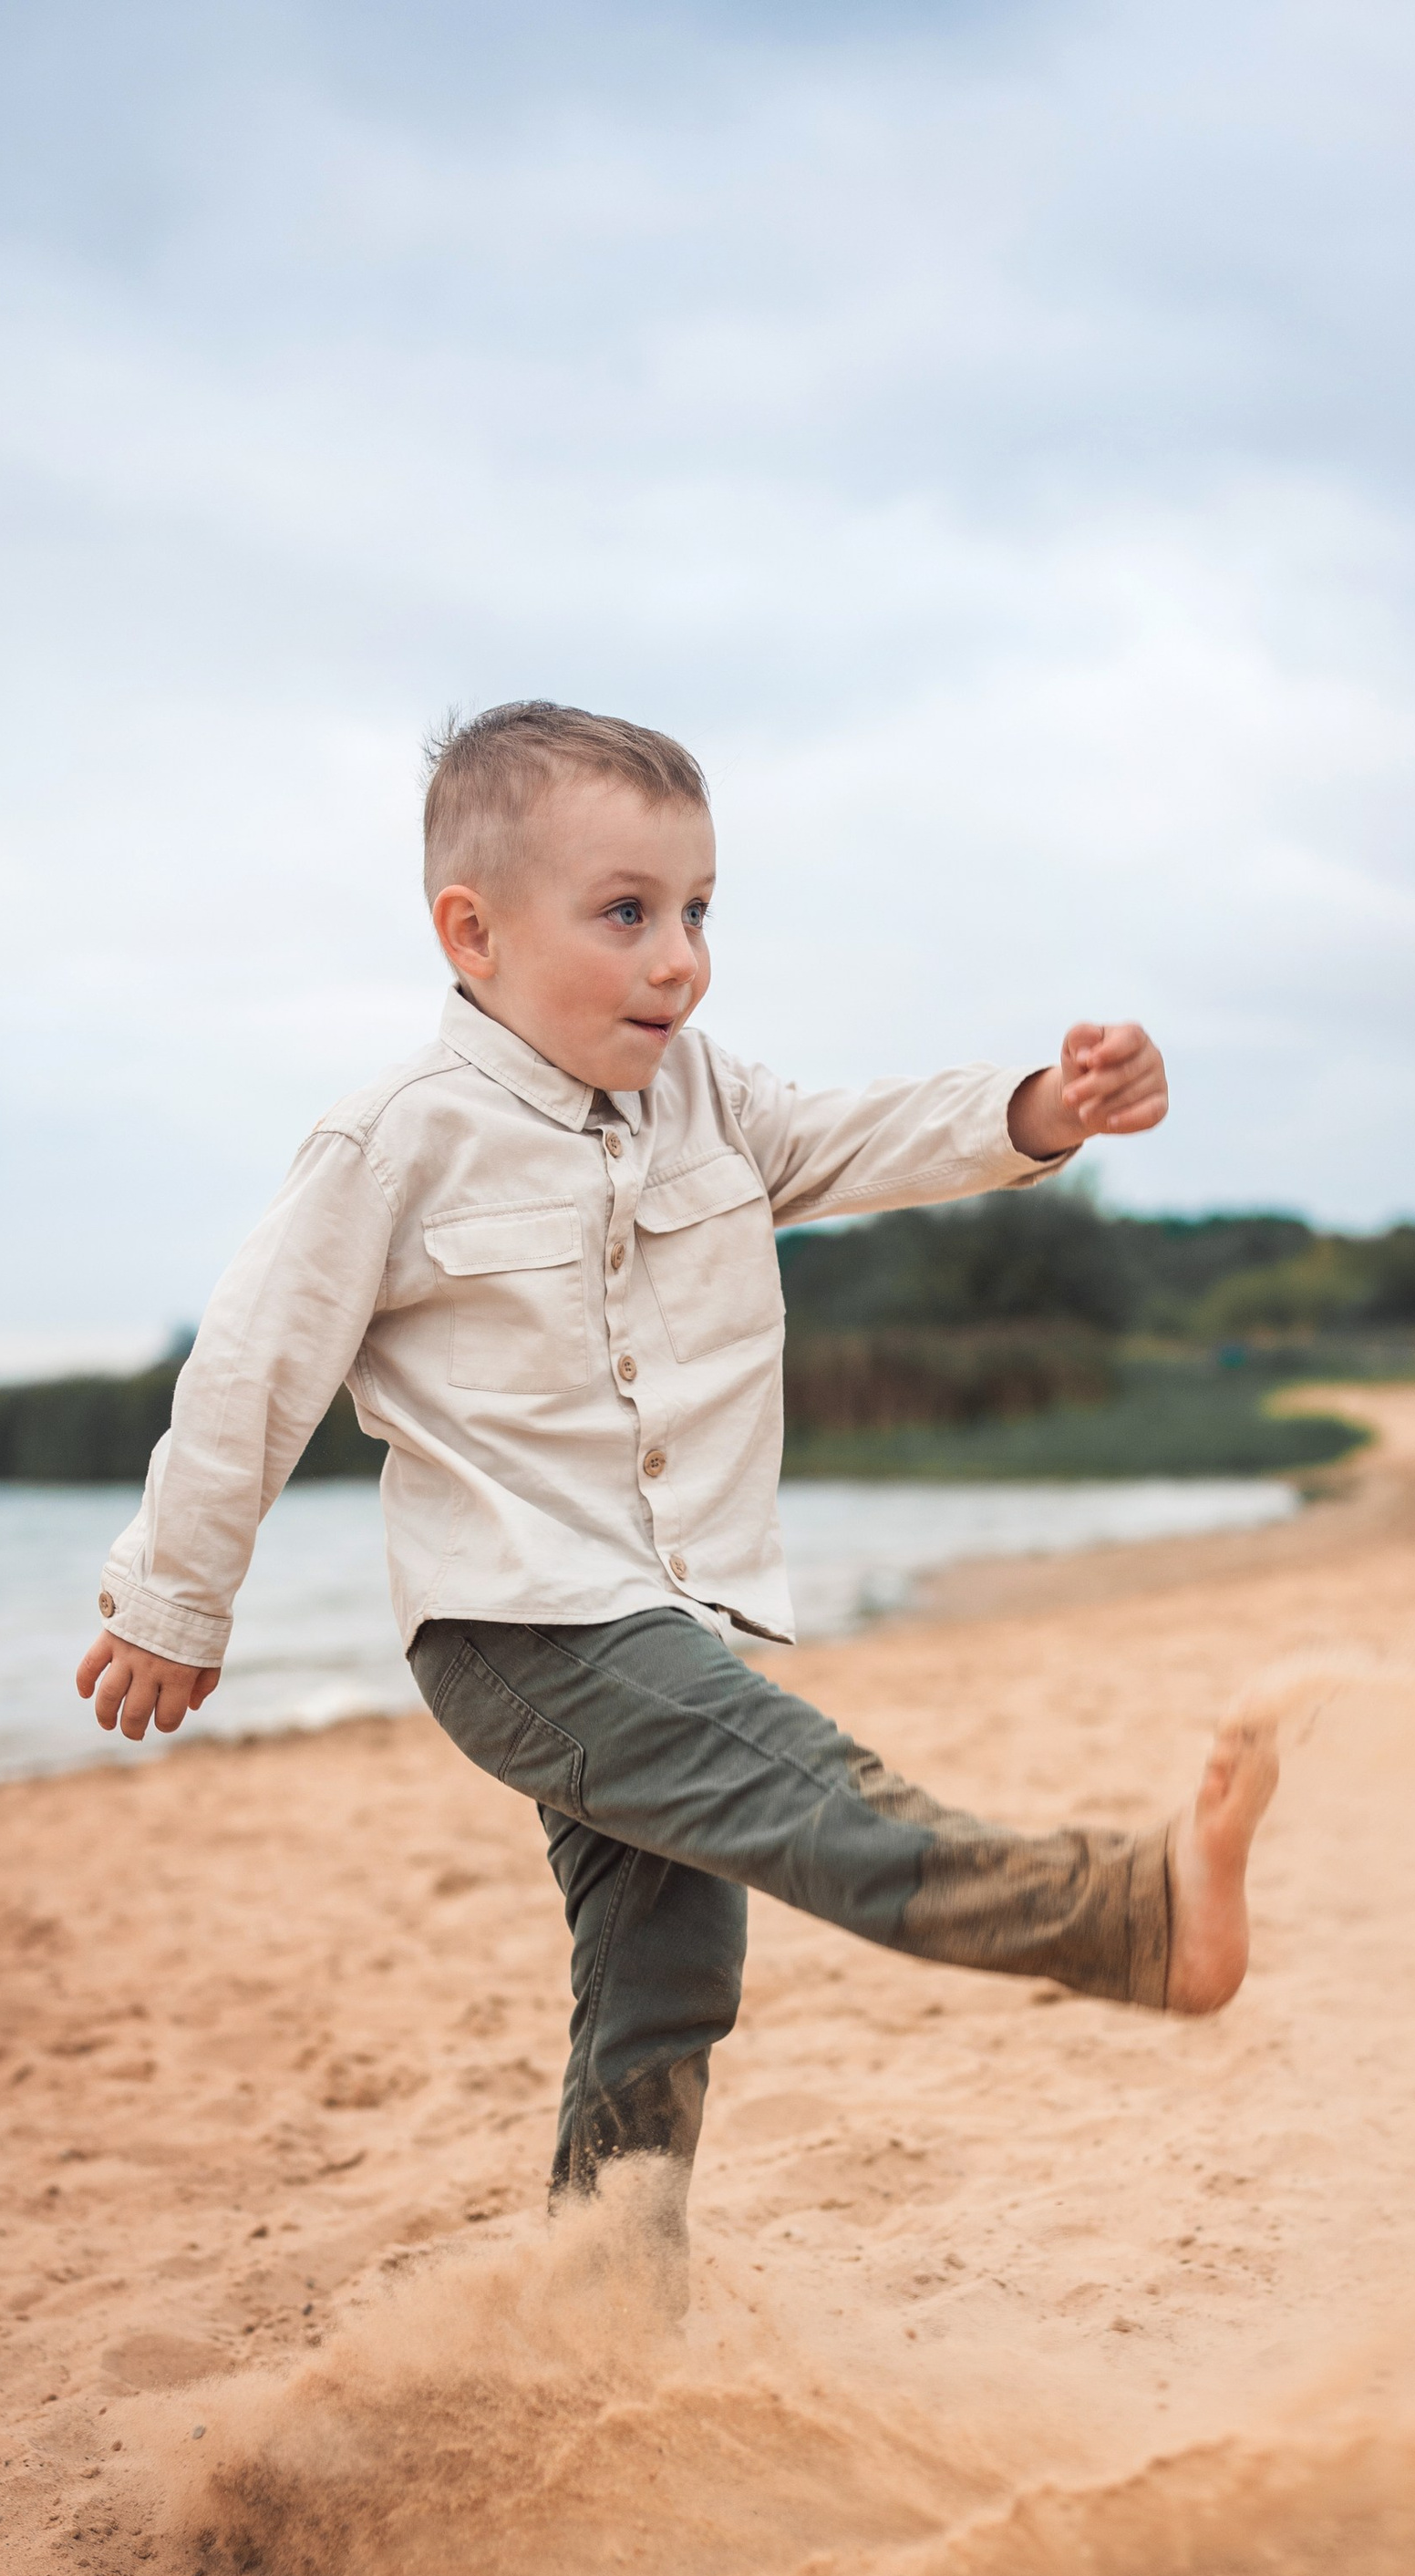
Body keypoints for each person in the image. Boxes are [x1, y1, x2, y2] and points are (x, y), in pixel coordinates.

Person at [77, 700, 1280, 2254]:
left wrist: (1049, 1108)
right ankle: (1136, 1918)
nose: (679, 958)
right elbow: (254, 1369)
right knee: (810, 1799)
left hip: (671, 1617)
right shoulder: (395, 1141)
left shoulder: (713, 1104)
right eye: (629, 913)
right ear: (475, 931)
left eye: (700, 912)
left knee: (666, 1983)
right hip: (518, 1626)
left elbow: (872, 1135)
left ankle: (597, 2313)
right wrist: (175, 1600)